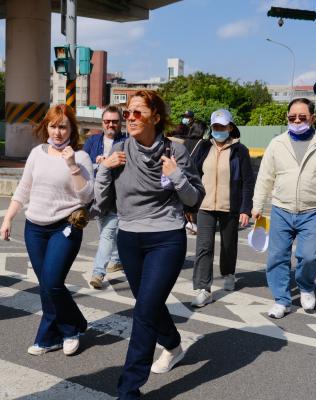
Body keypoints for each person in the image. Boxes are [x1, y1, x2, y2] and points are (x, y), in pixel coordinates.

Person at [94, 90, 205, 399]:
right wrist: (105, 169)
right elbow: (102, 203)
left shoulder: (176, 151)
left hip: (166, 237)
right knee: (148, 303)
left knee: (143, 310)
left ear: (156, 117)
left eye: (137, 113)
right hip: (129, 237)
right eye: (127, 113)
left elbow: (194, 198)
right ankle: (173, 345)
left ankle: (129, 389)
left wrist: (178, 177)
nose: (129, 118)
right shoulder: (119, 150)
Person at [0, 104, 93, 356]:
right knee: (45, 285)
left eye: (63, 126)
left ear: (72, 129)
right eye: (53, 126)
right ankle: (63, 330)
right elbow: (23, 188)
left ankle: (68, 330)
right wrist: (8, 218)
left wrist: (72, 165)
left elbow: (86, 196)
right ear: (46, 127)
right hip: (34, 228)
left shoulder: (81, 157)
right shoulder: (37, 153)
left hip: (65, 226)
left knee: (52, 282)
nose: (58, 132)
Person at [252, 98, 316, 319]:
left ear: (313, 118)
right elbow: (265, 177)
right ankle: (281, 300)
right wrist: (257, 205)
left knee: (310, 256)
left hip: (312, 210)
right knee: (277, 257)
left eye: (302, 117)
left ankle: (305, 286)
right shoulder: (277, 144)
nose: (297, 121)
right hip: (281, 209)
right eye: (292, 117)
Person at [190, 109, 254, 307]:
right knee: (203, 247)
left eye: (223, 126)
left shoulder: (239, 150)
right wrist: (190, 203)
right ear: (211, 128)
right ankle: (203, 288)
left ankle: (228, 273)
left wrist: (245, 208)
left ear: (230, 127)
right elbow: (192, 175)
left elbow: (247, 181)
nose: (219, 130)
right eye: (216, 127)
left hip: (230, 206)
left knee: (228, 245)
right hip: (205, 206)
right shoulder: (202, 148)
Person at [83, 105, 127, 289]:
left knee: (107, 235)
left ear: (120, 123)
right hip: (98, 197)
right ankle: (116, 259)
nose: (111, 125)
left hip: (117, 198)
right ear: (102, 123)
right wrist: (98, 164)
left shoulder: (127, 141)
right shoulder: (92, 141)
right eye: (107, 121)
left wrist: (110, 164)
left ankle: (98, 273)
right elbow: (83, 166)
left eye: (115, 121)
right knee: (105, 232)